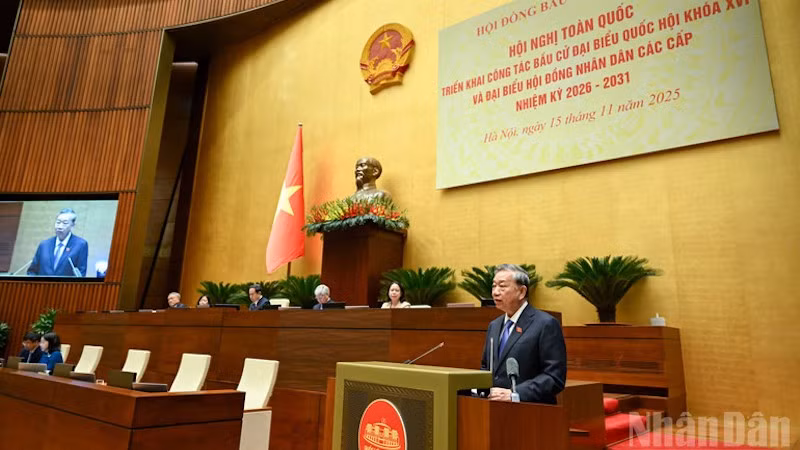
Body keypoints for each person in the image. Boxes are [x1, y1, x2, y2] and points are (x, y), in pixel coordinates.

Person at [480, 264, 566, 404]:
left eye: (502, 286)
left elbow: (554, 377)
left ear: (521, 292)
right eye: (494, 286)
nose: (495, 292)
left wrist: (516, 394)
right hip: (494, 409)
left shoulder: (545, 324)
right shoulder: (494, 326)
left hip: (531, 412)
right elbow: (485, 367)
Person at [27, 208, 89, 277]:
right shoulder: (44, 245)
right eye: (58, 222)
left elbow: (81, 274)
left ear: (72, 226)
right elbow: (32, 271)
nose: (60, 226)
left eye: (65, 223)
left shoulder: (80, 245)